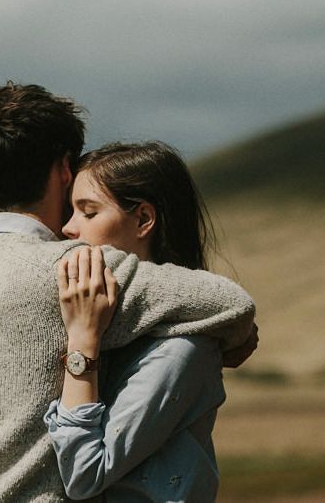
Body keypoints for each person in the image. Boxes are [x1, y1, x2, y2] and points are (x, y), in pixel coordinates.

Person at [0, 82, 256, 502]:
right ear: (66, 169)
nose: (72, 226)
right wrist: (237, 339)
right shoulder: (80, 269)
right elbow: (232, 304)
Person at [43, 141, 256, 501]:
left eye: (88, 213)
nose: (67, 228)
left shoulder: (180, 349)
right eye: (70, 211)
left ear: (143, 219)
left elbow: (85, 475)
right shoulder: (116, 327)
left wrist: (82, 341)